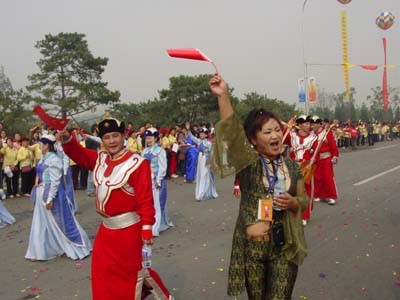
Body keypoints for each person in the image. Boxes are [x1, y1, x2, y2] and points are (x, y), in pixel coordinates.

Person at [210, 74, 308, 300]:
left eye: (277, 129)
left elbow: (303, 200)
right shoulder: (249, 166)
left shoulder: (292, 167)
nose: (275, 135)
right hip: (253, 250)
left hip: (284, 246)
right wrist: (223, 96)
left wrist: (294, 202)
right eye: (267, 132)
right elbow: (232, 133)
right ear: (253, 140)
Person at [59, 117, 172, 300]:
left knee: (136, 274)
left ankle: (164, 297)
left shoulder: (137, 163)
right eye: (107, 137)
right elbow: (79, 154)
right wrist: (67, 139)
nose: (112, 141)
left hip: (129, 231)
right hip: (106, 231)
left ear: (123, 136)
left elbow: (145, 200)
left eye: (115, 136)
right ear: (102, 140)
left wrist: (146, 229)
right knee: (102, 274)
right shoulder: (100, 159)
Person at [25, 134, 92, 261]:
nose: (40, 146)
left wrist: (50, 199)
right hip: (42, 192)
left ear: (47, 145)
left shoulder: (54, 160)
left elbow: (55, 182)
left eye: (42, 144)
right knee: (42, 222)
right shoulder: (43, 159)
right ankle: (43, 250)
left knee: (62, 223)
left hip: (53, 195)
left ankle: (77, 246)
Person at [142, 127, 173, 236]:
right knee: (148, 203)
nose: (148, 140)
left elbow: (163, 167)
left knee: (157, 203)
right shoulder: (144, 151)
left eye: (150, 138)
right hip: (146, 181)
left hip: (156, 180)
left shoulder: (160, 151)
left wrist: (159, 179)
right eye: (147, 138)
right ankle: (149, 224)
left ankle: (155, 227)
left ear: (155, 138)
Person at [309, 116, 339, 205]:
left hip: (326, 158)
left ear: (319, 124)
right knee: (317, 177)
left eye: (314, 124)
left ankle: (331, 196)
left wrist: (334, 156)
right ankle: (318, 195)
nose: (312, 126)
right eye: (311, 124)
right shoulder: (311, 134)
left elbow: (333, 145)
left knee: (327, 177)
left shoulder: (326, 133)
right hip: (316, 159)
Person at [186, 125, 218, 201]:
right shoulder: (199, 141)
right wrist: (188, 130)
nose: (201, 135)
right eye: (200, 134)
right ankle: (202, 192)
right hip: (200, 159)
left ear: (206, 135)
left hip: (206, 160)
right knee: (200, 175)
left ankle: (201, 194)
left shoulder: (209, 143)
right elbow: (192, 137)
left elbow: (212, 153)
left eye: (203, 134)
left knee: (204, 175)